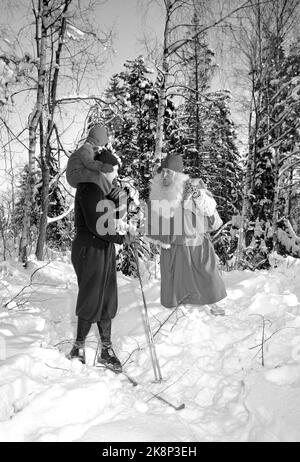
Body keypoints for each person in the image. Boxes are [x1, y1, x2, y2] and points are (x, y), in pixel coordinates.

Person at [67, 148, 134, 371]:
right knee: (91, 296)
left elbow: (107, 221)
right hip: (89, 247)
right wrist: (121, 238)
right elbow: (97, 226)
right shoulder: (89, 188)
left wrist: (116, 204)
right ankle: (78, 348)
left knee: (106, 297)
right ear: (105, 169)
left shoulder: (101, 190)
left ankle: (106, 348)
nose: (116, 175)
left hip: (102, 247)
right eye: (114, 171)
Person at [146, 153, 227, 316]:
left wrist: (197, 195)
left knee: (206, 274)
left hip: (196, 240)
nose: (165, 175)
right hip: (174, 242)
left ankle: (214, 303)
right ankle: (179, 310)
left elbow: (210, 209)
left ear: (178, 174)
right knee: (176, 277)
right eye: (163, 171)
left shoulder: (194, 185)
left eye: (169, 172)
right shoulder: (159, 190)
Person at [66, 124, 116, 189]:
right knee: (98, 177)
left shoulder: (88, 149)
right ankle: (110, 190)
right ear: (99, 139)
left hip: (76, 174)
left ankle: (109, 190)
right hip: (75, 175)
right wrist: (102, 166)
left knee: (97, 177)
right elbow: (90, 163)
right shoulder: (86, 148)